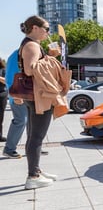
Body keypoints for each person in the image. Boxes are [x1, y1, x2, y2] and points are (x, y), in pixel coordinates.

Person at [19, 15, 68, 189]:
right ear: (34, 28)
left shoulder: (32, 44)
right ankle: (33, 176)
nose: (48, 32)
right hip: (39, 95)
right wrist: (51, 58)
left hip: (34, 95)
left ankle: (36, 170)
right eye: (46, 28)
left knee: (33, 136)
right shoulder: (32, 45)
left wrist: (49, 55)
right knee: (37, 137)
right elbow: (30, 70)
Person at [2, 49, 29, 158]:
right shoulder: (17, 55)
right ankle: (9, 149)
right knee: (20, 121)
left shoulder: (25, 52)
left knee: (30, 121)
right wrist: (15, 95)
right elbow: (10, 77)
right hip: (19, 95)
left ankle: (33, 147)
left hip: (27, 95)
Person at [0, 59, 7, 141]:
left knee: (0, 116)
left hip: (1, 94)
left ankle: (0, 136)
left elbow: (7, 81)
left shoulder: (3, 70)